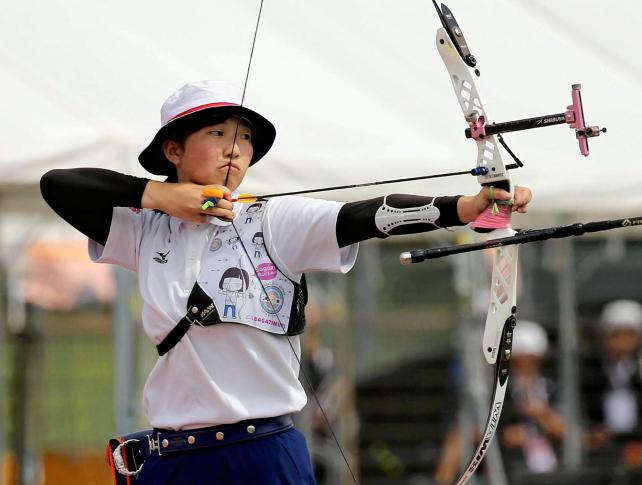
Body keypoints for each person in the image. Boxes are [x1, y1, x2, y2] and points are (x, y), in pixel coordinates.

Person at [40, 80, 532, 484]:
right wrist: (163, 198)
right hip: (174, 457)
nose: (236, 148)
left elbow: (363, 216)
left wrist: (461, 208)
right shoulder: (145, 229)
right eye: (217, 133)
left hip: (262, 453)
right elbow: (58, 185)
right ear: (173, 149)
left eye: (246, 138)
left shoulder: (274, 221)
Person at [582, 300, 642, 472]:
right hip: (603, 445)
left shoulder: (638, 369)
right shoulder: (591, 369)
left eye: (629, 334)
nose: (622, 341)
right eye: (616, 334)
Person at [499, 320, 565, 476]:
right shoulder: (502, 393)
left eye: (530, 360)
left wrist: (542, 414)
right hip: (515, 467)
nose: (524, 365)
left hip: (555, 465)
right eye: (517, 361)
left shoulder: (553, 388)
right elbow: (505, 435)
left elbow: (565, 431)